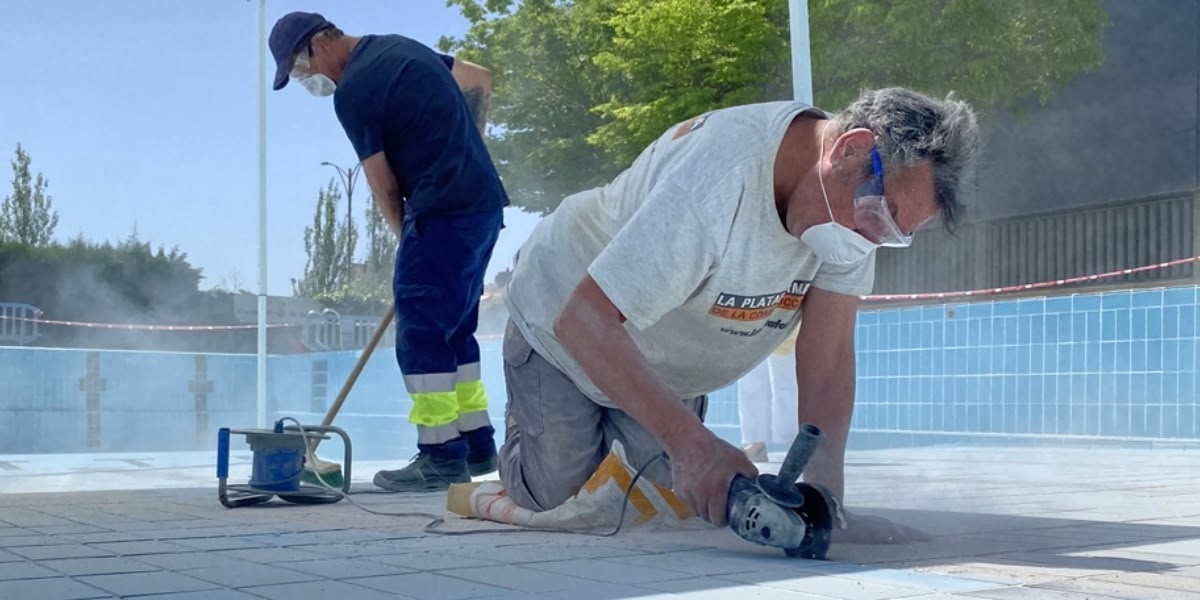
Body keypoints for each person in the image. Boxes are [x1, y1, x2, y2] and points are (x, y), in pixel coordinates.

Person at [499, 87, 979, 541]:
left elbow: (828, 357)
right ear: (850, 151)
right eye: (880, 214)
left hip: (659, 363)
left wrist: (825, 501)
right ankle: (526, 425)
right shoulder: (720, 177)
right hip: (562, 323)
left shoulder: (853, 211)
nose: (872, 239)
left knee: (665, 501)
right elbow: (584, 318)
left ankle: (615, 431)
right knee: (560, 495)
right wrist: (691, 446)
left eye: (894, 233)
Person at [269, 12, 510, 491]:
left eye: (298, 69)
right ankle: (478, 447)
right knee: (455, 330)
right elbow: (478, 79)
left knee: (420, 333)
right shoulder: (401, 46)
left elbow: (381, 186)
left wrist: (408, 243)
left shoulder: (353, 90)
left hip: (440, 212)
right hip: (482, 205)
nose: (304, 80)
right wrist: (468, 148)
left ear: (316, 46)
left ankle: (441, 456)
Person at [737, 327, 801, 463]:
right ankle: (755, 444)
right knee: (751, 381)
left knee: (787, 381)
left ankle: (794, 442)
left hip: (785, 318)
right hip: (754, 323)